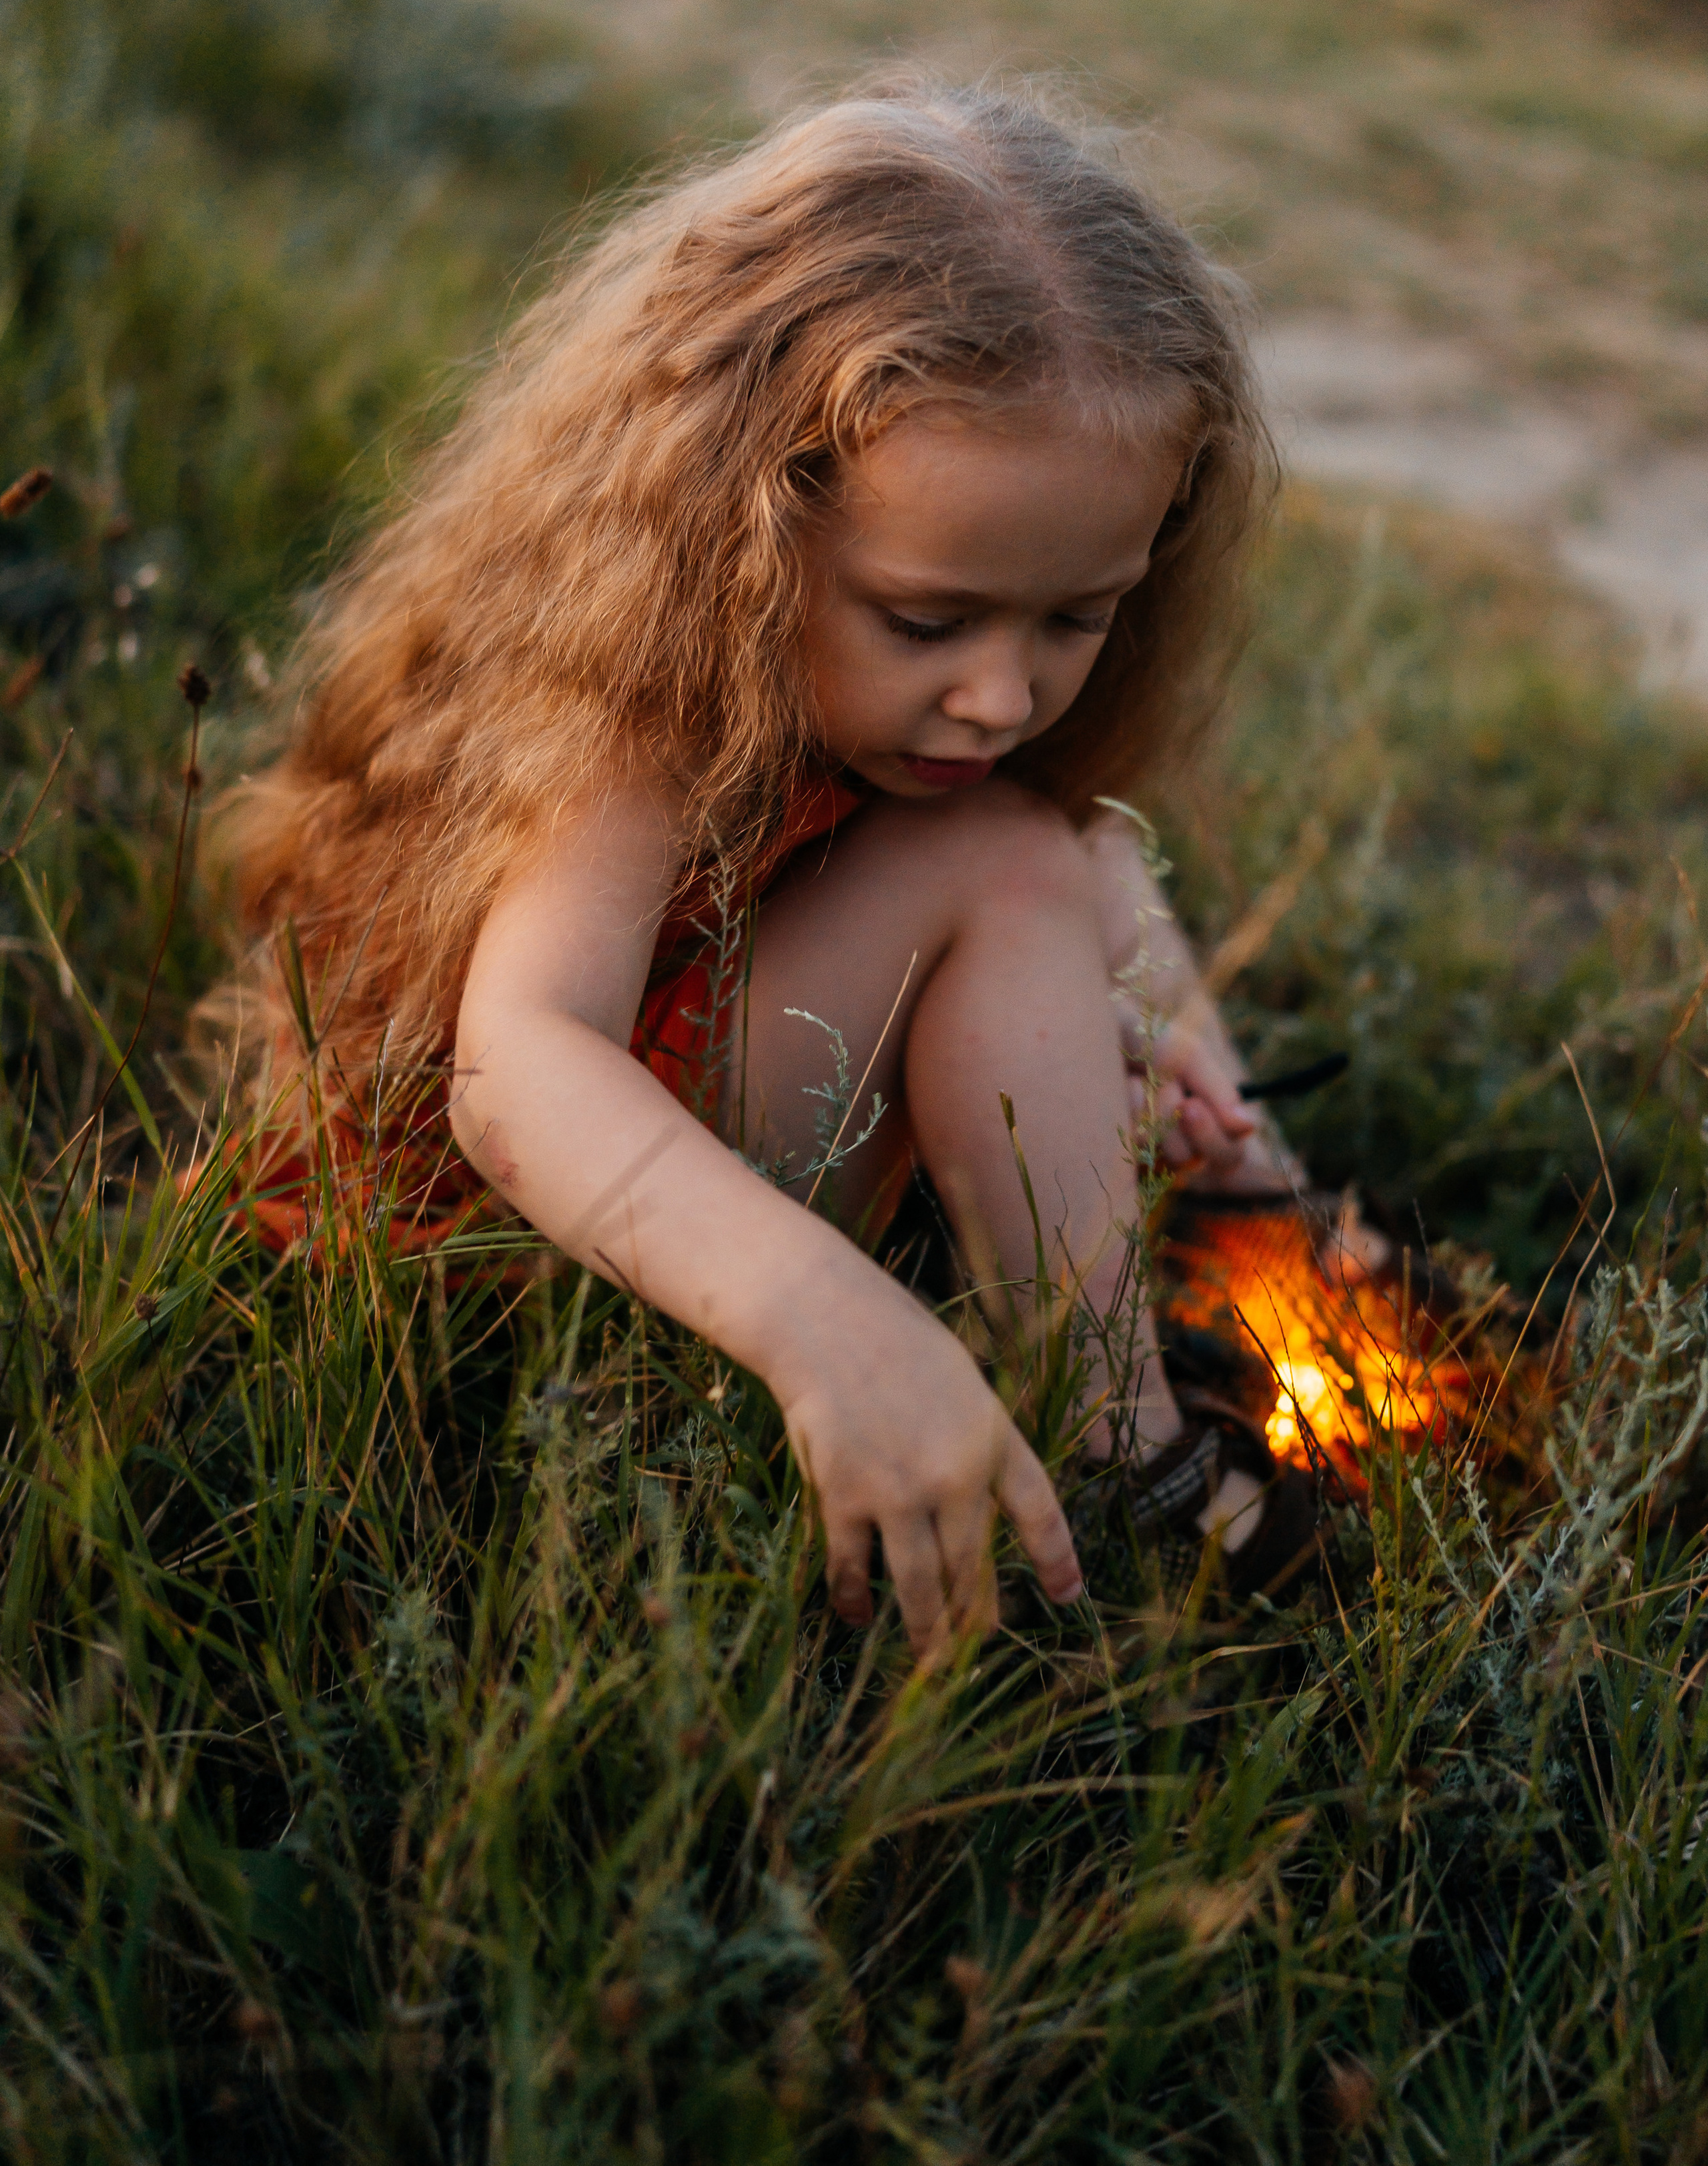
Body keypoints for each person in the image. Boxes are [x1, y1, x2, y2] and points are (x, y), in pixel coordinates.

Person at [226, 81, 1351, 1658]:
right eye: (926, 620)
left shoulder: (940, 694)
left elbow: (1064, 836)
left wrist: (1149, 1053)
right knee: (1014, 862)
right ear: (743, 522)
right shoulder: (629, 697)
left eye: (1075, 618)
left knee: (1065, 844)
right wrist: (829, 1318)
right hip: (509, 1242)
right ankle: (1131, 1465)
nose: (1000, 693)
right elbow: (517, 1065)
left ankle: (1247, 1198)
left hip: (718, 1109)